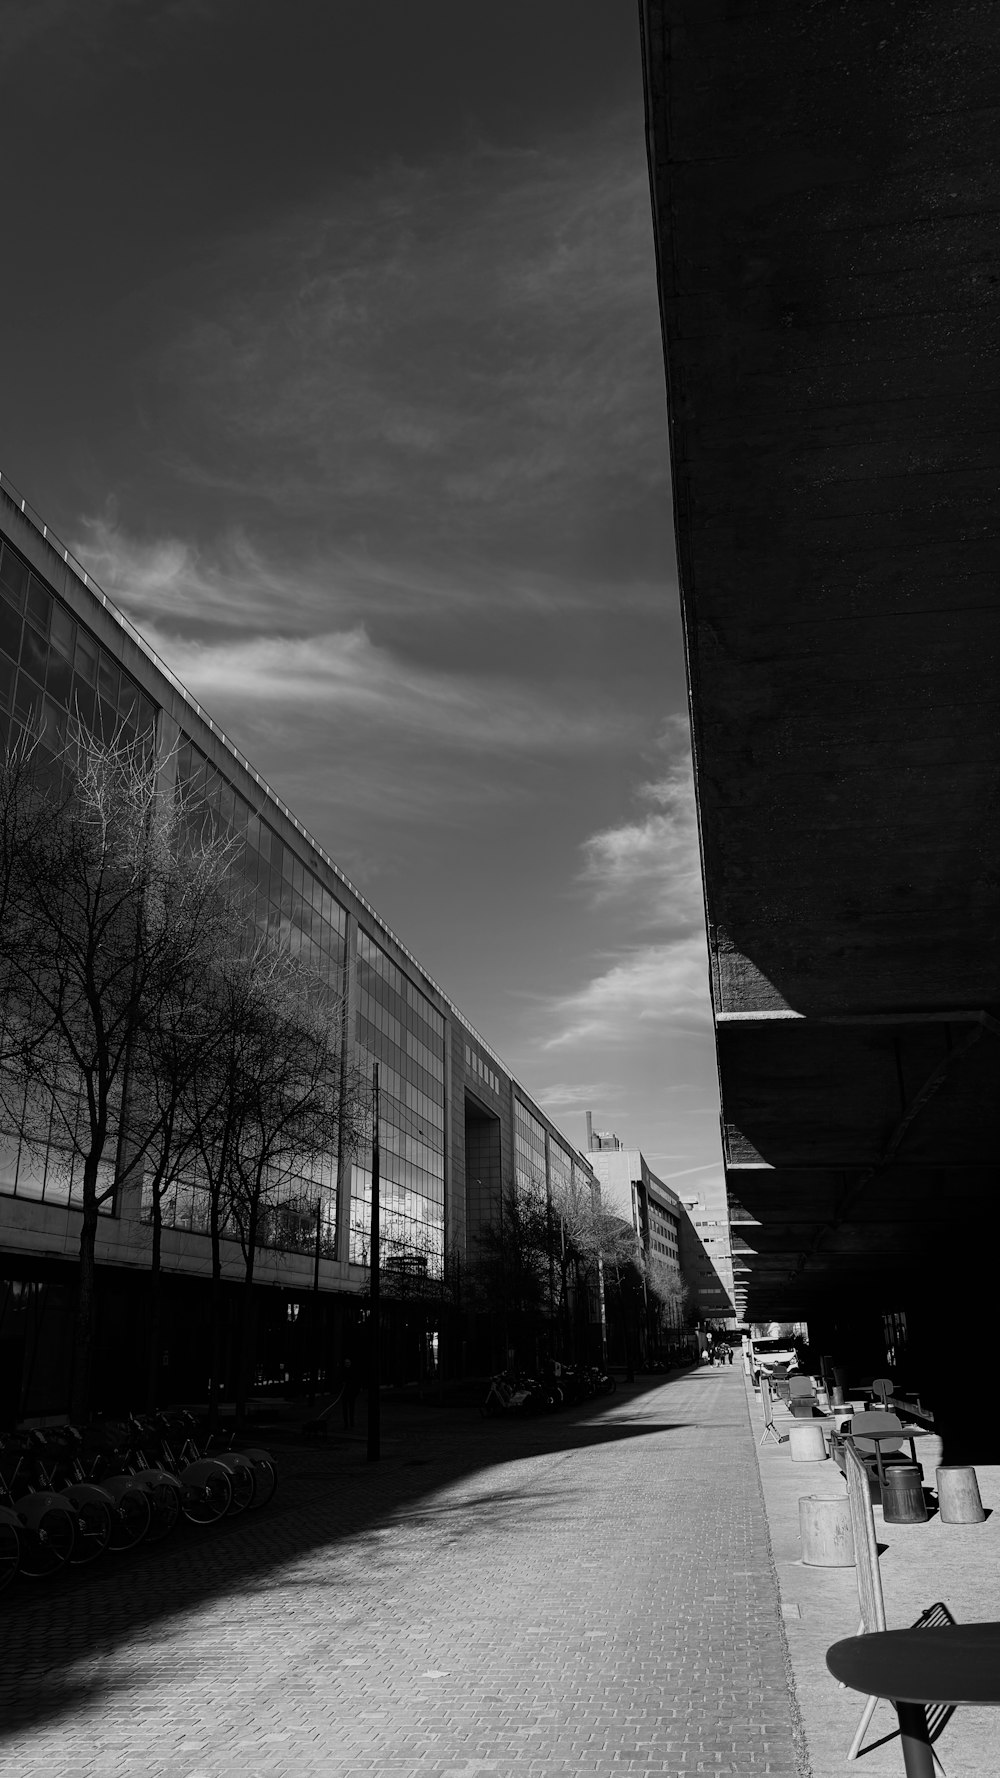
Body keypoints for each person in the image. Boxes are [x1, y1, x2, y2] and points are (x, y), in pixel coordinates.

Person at [340, 1357, 361, 1430]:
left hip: (352, 1393)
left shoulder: (353, 1371)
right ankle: (346, 1423)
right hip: (344, 1393)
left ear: (350, 1363)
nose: (347, 1364)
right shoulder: (342, 1371)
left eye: (348, 1362)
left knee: (351, 1409)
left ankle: (351, 1423)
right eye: (346, 1363)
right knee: (345, 1409)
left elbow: (357, 1383)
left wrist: (355, 1393)